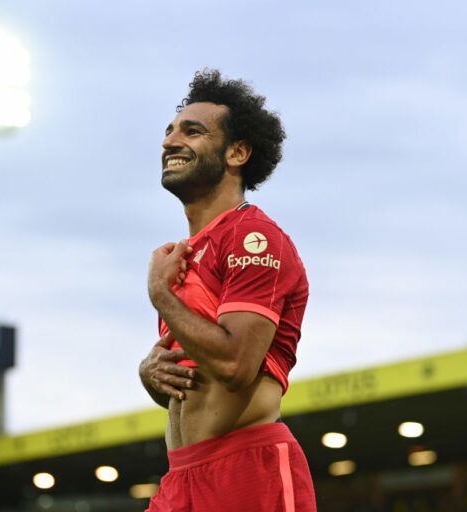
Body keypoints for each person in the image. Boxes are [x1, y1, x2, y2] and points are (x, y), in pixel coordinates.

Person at [139, 69, 316, 512]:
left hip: (246, 471)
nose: (170, 141)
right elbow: (193, 383)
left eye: (191, 131)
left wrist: (162, 296)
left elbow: (236, 366)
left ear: (237, 152)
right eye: (170, 130)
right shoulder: (184, 256)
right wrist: (150, 375)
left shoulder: (254, 237)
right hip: (181, 474)